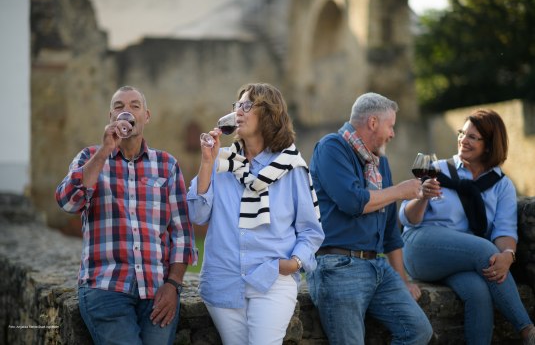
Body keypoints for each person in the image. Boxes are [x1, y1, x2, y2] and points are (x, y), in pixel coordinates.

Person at [55, 86, 197, 345]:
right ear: (111, 116)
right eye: (119, 107)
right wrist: (104, 151)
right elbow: (67, 202)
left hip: (156, 291)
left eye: (134, 106)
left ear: (146, 116)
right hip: (105, 287)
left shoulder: (167, 165)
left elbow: (182, 234)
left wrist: (173, 285)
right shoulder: (90, 157)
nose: (126, 111)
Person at [187, 82, 324, 345]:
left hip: (272, 279)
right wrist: (206, 162)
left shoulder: (292, 167)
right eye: (237, 105)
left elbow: (310, 231)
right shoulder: (221, 162)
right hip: (223, 280)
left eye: (247, 105)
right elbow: (197, 214)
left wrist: (293, 264)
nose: (238, 111)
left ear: (269, 114)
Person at [306, 92, 433, 345]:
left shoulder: (379, 163)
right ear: (373, 123)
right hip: (338, 267)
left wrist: (404, 281)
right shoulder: (331, 148)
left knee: (419, 331)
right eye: (391, 126)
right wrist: (399, 191)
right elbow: (352, 201)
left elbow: (389, 231)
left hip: (378, 269)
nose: (393, 133)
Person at [400, 109, 535, 344]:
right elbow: (406, 218)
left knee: (478, 292)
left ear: (490, 144)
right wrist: (421, 196)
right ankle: (528, 331)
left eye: (473, 136)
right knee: (484, 250)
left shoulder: (502, 185)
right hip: (421, 247)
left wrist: (506, 255)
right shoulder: (437, 169)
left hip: (463, 258)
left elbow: (504, 231)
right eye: (462, 133)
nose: (463, 139)